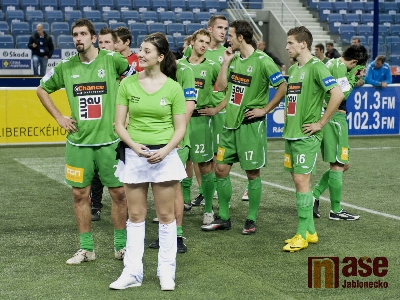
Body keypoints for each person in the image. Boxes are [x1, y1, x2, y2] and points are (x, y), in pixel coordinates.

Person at [37, 18, 135, 264]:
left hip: (110, 142)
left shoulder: (113, 60)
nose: (78, 38)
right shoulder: (65, 66)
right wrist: (59, 117)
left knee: (119, 194)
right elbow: (41, 89)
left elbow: (135, 82)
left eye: (82, 34)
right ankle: (86, 249)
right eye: (75, 35)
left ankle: (121, 246)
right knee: (80, 195)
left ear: (93, 38)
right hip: (79, 143)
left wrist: (127, 115)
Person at [109, 32, 187, 291]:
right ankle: (132, 273)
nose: (140, 55)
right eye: (140, 50)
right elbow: (119, 124)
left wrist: (164, 151)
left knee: (166, 216)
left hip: (164, 157)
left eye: (146, 51)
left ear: (160, 57)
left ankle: (166, 272)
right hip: (135, 156)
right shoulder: (128, 84)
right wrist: (134, 147)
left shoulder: (174, 87)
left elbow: (180, 128)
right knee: (135, 215)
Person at [200, 20, 287, 234]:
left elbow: (283, 86)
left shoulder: (263, 61)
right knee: (220, 170)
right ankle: (224, 218)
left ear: (240, 37)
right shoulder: (234, 59)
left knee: (252, 173)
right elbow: (220, 87)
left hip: (250, 125)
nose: (227, 39)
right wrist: (225, 63)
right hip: (229, 125)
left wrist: (265, 110)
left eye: (230, 35)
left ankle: (251, 218)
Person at [282, 26, 344, 252]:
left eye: (290, 43)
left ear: (303, 44)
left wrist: (320, 123)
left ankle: (301, 234)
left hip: (306, 136)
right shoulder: (295, 68)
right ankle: (309, 231)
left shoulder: (317, 67)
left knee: (302, 182)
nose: (286, 47)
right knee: (298, 183)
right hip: (291, 134)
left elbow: (337, 94)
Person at [312, 45, 368, 221]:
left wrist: (353, 76)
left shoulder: (334, 64)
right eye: (359, 67)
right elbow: (341, 95)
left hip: (335, 118)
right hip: (335, 118)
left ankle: (314, 195)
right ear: (354, 62)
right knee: (338, 164)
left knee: (344, 164)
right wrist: (353, 77)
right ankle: (335, 210)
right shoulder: (339, 67)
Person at [184, 15, 229, 207]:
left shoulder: (226, 54)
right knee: (194, 156)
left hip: (219, 112)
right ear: (209, 29)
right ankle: (203, 192)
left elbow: (227, 87)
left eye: (226, 28)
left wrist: (218, 107)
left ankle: (213, 192)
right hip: (197, 111)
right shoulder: (187, 55)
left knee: (217, 158)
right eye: (219, 27)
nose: (223, 32)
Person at [179, 29, 221, 226]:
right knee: (180, 163)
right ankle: (184, 201)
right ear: (192, 42)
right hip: (180, 121)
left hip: (202, 121)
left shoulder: (213, 66)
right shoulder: (178, 66)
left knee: (205, 166)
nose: (204, 45)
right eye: (200, 41)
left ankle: (208, 210)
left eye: (207, 42)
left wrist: (216, 109)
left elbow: (227, 90)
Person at [90, 26, 118, 221]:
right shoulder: (94, 64)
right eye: (101, 42)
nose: (104, 45)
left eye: (107, 42)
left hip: (122, 126)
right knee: (96, 173)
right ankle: (96, 205)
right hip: (100, 127)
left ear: (115, 44)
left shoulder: (123, 64)